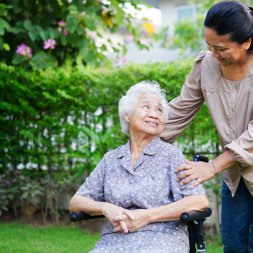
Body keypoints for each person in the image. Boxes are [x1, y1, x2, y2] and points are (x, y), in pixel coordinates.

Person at [160, 1, 253, 253]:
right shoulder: (206, 64)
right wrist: (144, 136)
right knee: (233, 244)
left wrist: (212, 167)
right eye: (208, 45)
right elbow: (181, 108)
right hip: (236, 171)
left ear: (246, 42)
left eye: (220, 48)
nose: (213, 54)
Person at [69, 81, 209, 253]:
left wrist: (146, 216)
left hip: (161, 240)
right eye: (147, 107)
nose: (155, 114)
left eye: (159, 110)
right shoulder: (111, 159)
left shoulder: (171, 156)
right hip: (114, 241)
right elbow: (76, 202)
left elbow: (199, 201)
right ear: (127, 115)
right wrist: (105, 207)